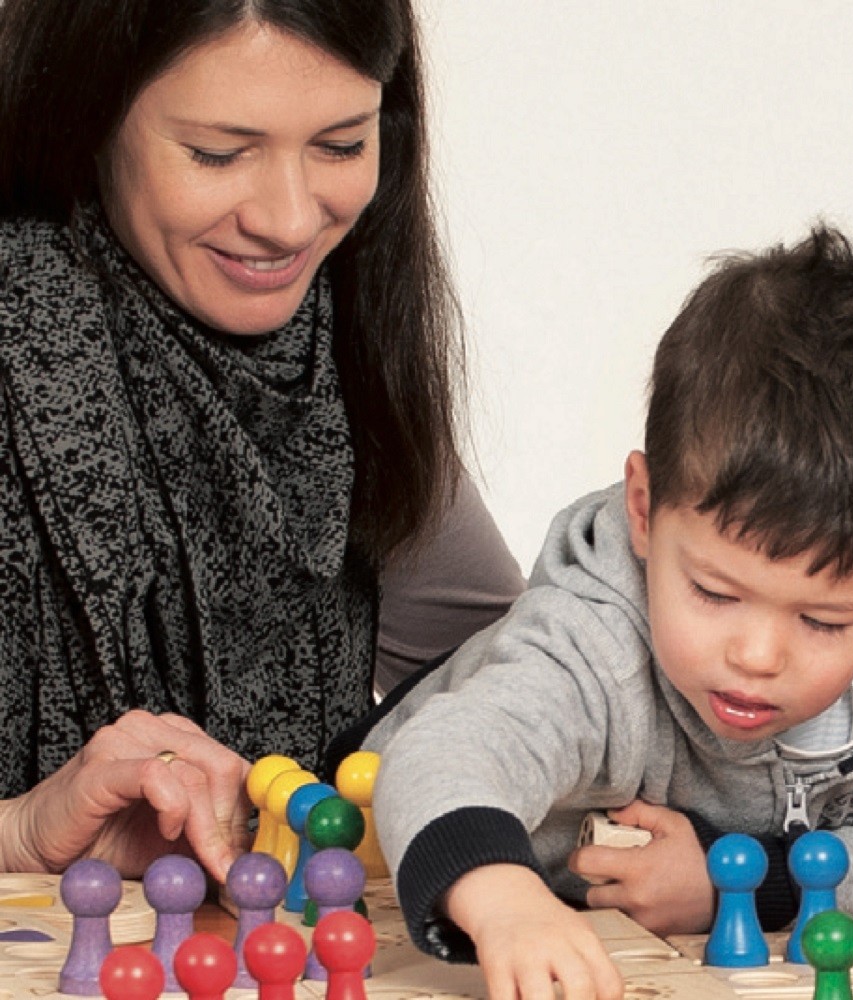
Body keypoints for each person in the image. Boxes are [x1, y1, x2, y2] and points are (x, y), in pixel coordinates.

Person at [366, 226, 853, 1000]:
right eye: (716, 594)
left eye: (824, 622)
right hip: (382, 847)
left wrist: (735, 885)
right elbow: (444, 755)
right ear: (644, 508)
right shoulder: (592, 642)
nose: (758, 655)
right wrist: (504, 900)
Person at [0, 1, 523, 882]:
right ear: (88, 117)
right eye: (218, 153)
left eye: (342, 145)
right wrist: (23, 831)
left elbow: (533, 694)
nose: (286, 220)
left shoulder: (335, 359)